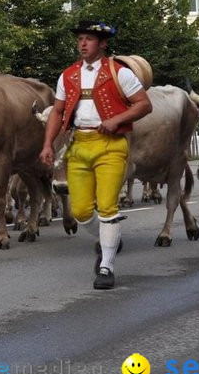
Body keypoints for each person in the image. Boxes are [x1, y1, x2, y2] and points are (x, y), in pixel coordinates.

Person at [39, 20, 152, 290]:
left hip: (110, 145)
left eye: (88, 39)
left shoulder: (119, 72)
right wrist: (47, 145)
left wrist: (117, 120)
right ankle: (108, 238)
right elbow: (57, 111)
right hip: (78, 145)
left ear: (102, 43)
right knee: (80, 212)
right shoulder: (68, 75)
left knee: (107, 207)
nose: (82, 43)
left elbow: (144, 105)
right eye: (80, 39)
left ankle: (106, 266)